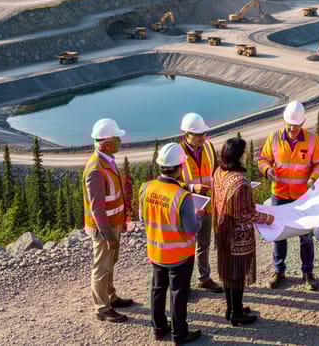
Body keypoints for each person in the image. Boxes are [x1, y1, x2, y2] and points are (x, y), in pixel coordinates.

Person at [140, 143, 204, 344]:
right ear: (180, 167)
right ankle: (179, 334)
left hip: (156, 251)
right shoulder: (182, 196)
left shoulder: (146, 188)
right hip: (179, 255)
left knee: (158, 289)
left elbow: (143, 217)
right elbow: (191, 228)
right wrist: (199, 215)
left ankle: (159, 328)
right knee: (178, 294)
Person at [258, 100, 319, 291]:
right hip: (279, 194)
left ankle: (308, 272)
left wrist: (313, 178)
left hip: (302, 196)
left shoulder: (312, 140)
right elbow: (263, 160)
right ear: (284, 121)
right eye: (289, 125)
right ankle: (279, 271)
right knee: (279, 234)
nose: (292, 129)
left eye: (296, 126)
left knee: (305, 236)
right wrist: (267, 170)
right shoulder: (274, 138)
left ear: (302, 123)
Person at [212, 137, 275, 326]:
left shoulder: (218, 172)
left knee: (227, 271)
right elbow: (245, 214)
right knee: (238, 272)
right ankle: (237, 313)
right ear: (239, 155)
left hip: (222, 230)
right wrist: (267, 218)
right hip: (238, 235)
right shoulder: (240, 182)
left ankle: (231, 308)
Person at [82, 118, 135, 323]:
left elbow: (115, 196)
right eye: (117, 139)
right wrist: (108, 235)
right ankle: (102, 308)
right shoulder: (96, 170)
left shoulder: (107, 161)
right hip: (104, 229)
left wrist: (122, 221)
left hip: (114, 223)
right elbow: (97, 209)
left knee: (110, 263)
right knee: (102, 267)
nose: (120, 142)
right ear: (106, 144)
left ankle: (111, 297)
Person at [176, 112, 223, 294]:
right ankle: (184, 285)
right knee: (185, 247)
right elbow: (171, 182)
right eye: (198, 135)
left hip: (207, 205)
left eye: (204, 133)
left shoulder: (209, 147)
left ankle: (204, 278)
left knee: (203, 244)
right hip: (187, 207)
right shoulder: (178, 153)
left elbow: (216, 171)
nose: (202, 137)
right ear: (186, 134)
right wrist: (192, 187)